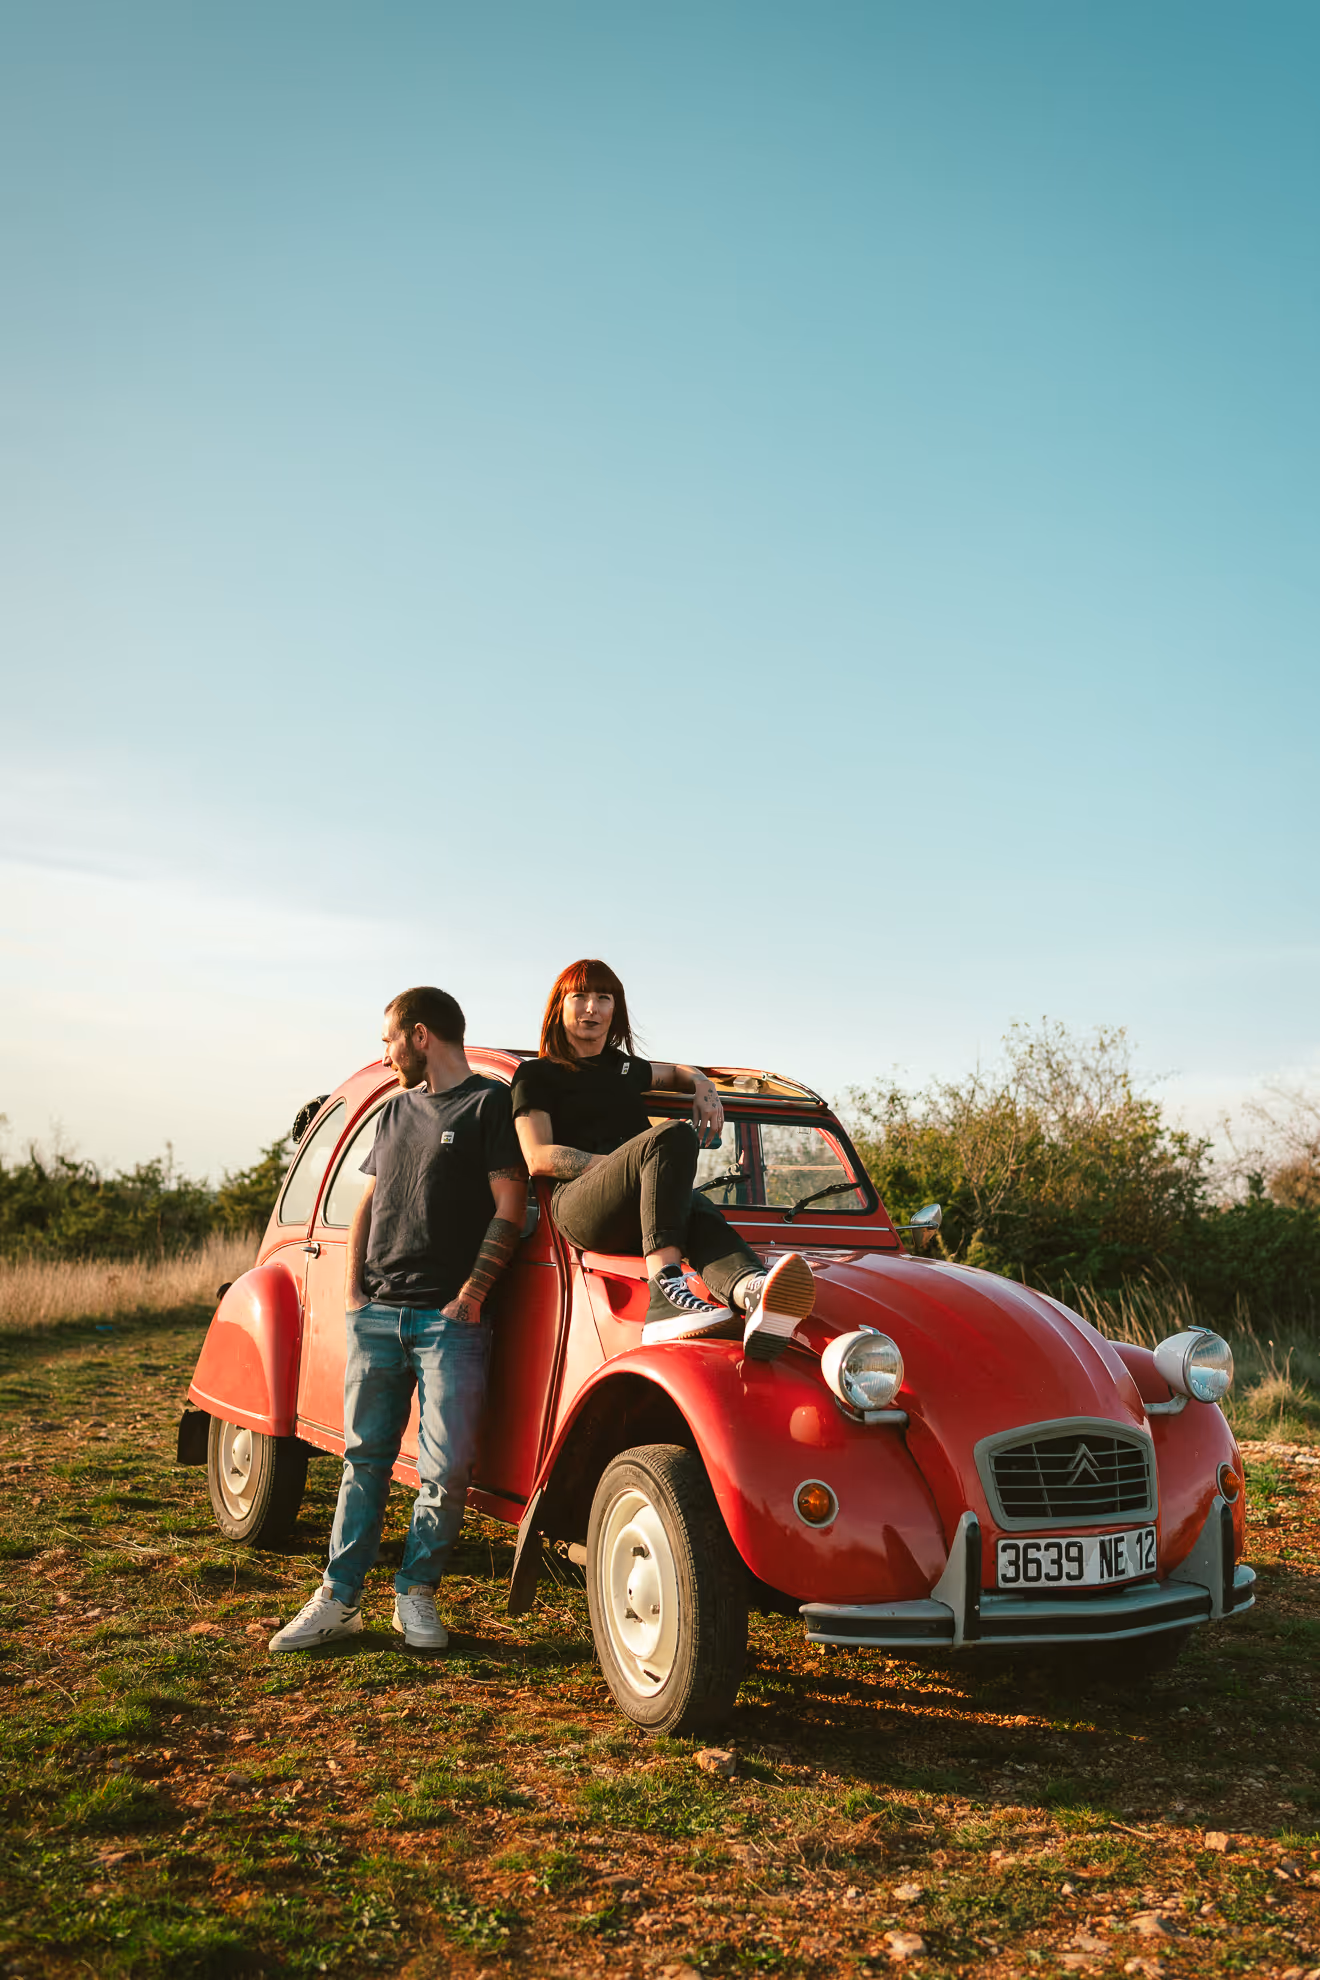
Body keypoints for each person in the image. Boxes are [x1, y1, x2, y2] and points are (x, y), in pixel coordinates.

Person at [270, 986, 526, 1655]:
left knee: (445, 1473)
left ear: (419, 1036)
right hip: (377, 1312)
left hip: (450, 1321)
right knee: (365, 1461)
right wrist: (355, 1291)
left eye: (388, 1040)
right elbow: (371, 1201)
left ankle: (415, 1593)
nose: (384, 1055)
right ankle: (339, 1596)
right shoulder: (393, 1111)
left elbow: (510, 1203)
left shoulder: (487, 1105)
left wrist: (471, 1292)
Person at [511, 959, 814, 1359]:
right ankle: (665, 1292)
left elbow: (672, 1072)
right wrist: (629, 1168)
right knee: (672, 1135)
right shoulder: (536, 1076)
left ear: (615, 1009)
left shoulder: (623, 1069)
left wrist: (702, 1084)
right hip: (578, 1209)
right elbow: (538, 1157)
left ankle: (749, 1288)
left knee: (692, 1204)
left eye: (603, 998)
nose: (591, 1008)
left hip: (636, 1210)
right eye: (579, 997)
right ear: (559, 1008)